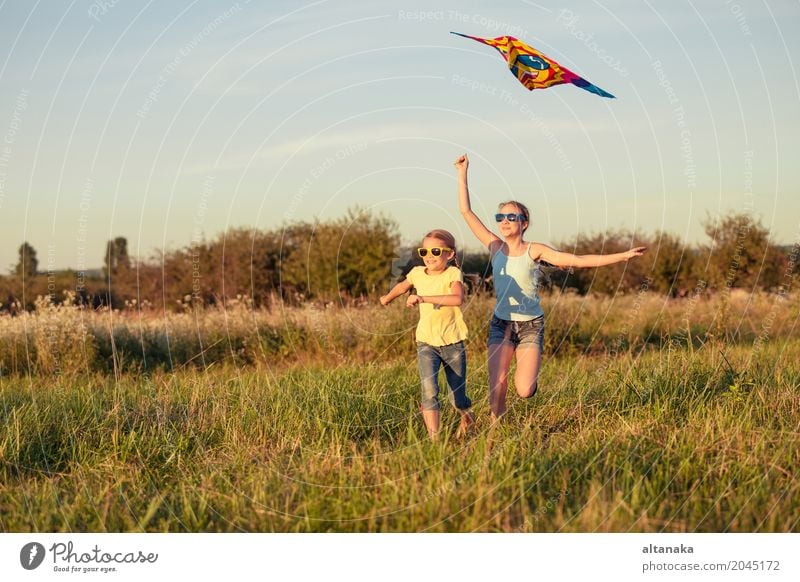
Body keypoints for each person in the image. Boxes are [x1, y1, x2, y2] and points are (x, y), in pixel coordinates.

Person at [454, 153, 647, 421]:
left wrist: (622, 256)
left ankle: (530, 382)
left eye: (512, 216)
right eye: (501, 216)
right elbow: (466, 212)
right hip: (501, 324)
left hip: (531, 325)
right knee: (497, 385)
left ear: (524, 223)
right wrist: (462, 173)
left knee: (523, 390)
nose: (505, 220)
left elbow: (578, 261)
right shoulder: (494, 246)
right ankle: (496, 429)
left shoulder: (536, 250)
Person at [380, 229, 475, 439]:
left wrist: (423, 298)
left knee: (457, 398)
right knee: (429, 391)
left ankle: (467, 415)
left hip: (452, 343)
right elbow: (403, 287)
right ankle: (434, 439)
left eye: (435, 250)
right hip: (426, 342)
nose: (429, 255)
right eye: (424, 251)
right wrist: (388, 297)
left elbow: (457, 299)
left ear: (449, 254)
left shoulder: (452, 274)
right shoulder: (416, 273)